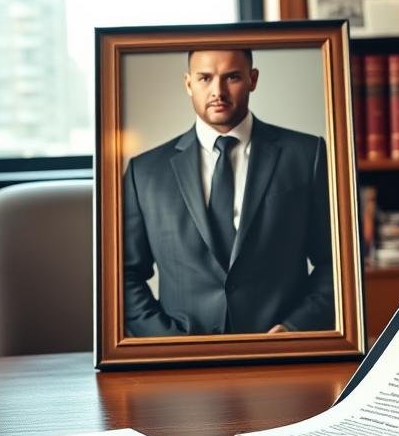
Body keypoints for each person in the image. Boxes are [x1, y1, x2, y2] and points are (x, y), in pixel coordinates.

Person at [121, 49, 334, 336]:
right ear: (188, 84)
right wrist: (166, 341)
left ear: (252, 79)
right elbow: (124, 275)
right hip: (178, 363)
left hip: (281, 353)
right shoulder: (143, 172)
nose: (217, 91)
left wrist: (294, 328)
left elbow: (335, 263)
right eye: (205, 78)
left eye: (231, 77)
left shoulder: (307, 155)